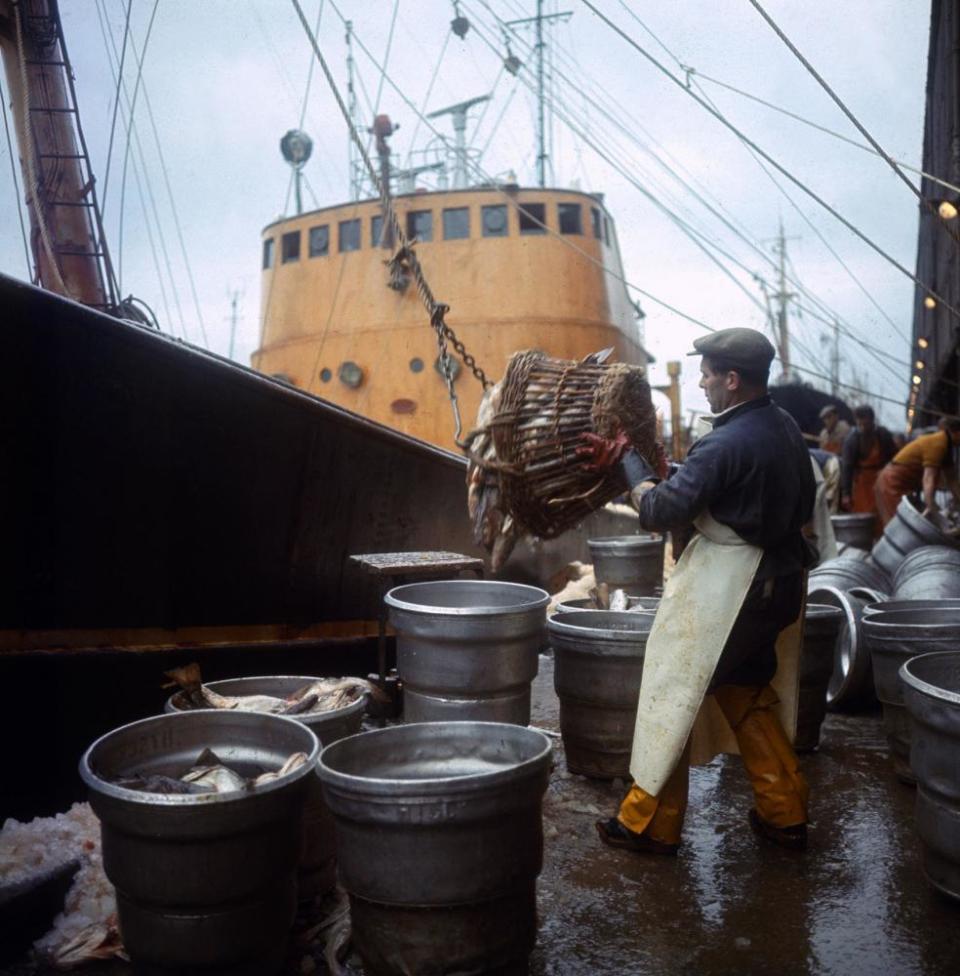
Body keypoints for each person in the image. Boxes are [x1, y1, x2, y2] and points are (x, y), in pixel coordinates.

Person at [579, 327, 816, 855]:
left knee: (674, 695)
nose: (703, 383)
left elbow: (658, 511)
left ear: (732, 380)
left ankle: (648, 823)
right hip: (780, 585)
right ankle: (785, 811)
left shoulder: (725, 440)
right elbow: (729, 483)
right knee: (744, 689)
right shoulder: (781, 427)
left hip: (734, 589)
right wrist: (667, 470)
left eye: (707, 373)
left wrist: (628, 461)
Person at [874, 417, 960, 524]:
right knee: (899, 523)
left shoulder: (947, 448)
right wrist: (931, 506)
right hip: (892, 482)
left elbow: (952, 480)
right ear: (956, 433)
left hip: (902, 484)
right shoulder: (939, 443)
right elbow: (928, 478)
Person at [839, 405, 895, 529]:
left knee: (884, 514)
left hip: (882, 480)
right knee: (863, 515)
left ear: (871, 419)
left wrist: (886, 469)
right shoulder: (852, 439)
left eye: (864, 420)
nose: (862, 424)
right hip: (862, 484)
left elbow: (894, 457)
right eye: (859, 421)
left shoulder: (883, 434)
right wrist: (846, 493)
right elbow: (847, 467)